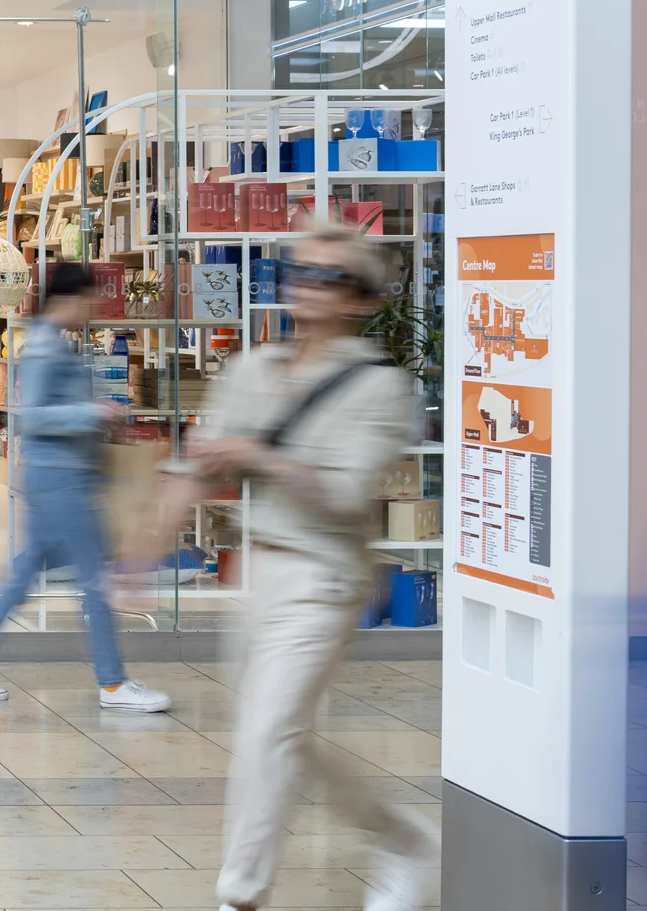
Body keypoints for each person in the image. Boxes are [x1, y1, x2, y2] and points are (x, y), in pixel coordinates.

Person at [157, 228, 437, 911]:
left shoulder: (380, 387)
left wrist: (254, 455)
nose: (308, 283)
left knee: (268, 734)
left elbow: (342, 497)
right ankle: (406, 842)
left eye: (330, 277)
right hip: (258, 575)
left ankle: (240, 896)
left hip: (324, 580)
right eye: (299, 269)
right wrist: (144, 544)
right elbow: (201, 462)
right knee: (286, 739)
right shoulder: (253, 369)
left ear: (363, 301)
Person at [0, 261, 171, 713]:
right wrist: (94, 413)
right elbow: (35, 416)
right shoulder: (45, 347)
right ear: (69, 299)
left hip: (55, 477)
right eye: (87, 300)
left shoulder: (52, 344)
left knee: (24, 575)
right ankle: (113, 683)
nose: (92, 308)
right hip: (62, 480)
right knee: (95, 579)